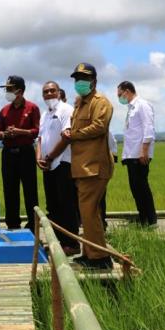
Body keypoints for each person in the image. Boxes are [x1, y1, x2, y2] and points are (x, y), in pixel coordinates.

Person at [61, 63, 115, 269]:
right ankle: (91, 253)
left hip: (95, 166)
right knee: (88, 213)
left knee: (90, 212)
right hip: (83, 167)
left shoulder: (101, 103)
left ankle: (100, 259)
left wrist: (72, 135)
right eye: (76, 79)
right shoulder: (80, 103)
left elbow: (99, 127)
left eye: (84, 78)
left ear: (94, 81)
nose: (79, 83)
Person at [36, 81, 80, 254]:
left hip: (62, 163)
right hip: (48, 166)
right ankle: (58, 241)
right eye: (45, 92)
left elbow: (66, 138)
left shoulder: (67, 110)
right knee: (53, 206)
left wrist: (49, 157)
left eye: (52, 91)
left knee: (67, 204)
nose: (49, 94)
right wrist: (39, 157)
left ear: (59, 93)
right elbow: (40, 138)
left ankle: (72, 243)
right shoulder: (44, 114)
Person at [0, 75, 40, 232]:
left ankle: (33, 225)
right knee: (10, 189)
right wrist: (5, 134)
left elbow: (36, 131)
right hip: (8, 153)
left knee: (30, 190)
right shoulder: (4, 110)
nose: (7, 92)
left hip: (26, 153)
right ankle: (12, 224)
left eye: (9, 89)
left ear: (19, 91)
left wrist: (20, 132)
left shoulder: (32, 108)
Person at [117, 80, 157, 226]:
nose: (119, 98)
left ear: (127, 91)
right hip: (131, 155)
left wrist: (144, 151)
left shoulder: (142, 105)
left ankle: (150, 220)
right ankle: (143, 219)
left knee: (142, 188)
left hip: (139, 155)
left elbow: (149, 128)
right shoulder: (131, 108)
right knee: (136, 189)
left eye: (120, 94)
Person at [100, 131, 118, 230]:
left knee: (99, 196)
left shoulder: (101, 126)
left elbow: (112, 143)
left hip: (100, 164)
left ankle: (101, 223)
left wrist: (111, 160)